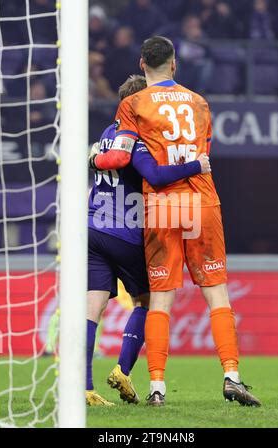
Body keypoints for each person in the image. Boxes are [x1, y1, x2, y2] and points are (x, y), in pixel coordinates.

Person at [91, 36, 261, 408]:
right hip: (201, 201)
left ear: (141, 64)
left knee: (160, 302)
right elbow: (204, 152)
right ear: (174, 64)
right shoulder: (200, 103)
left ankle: (156, 389)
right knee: (216, 294)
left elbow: (120, 157)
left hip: (162, 206)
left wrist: (92, 160)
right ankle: (231, 376)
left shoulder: (132, 103)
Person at [87, 74, 207, 406]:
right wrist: (196, 164)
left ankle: (84, 387)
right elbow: (154, 174)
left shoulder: (107, 135)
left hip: (94, 227)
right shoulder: (139, 139)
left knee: (91, 309)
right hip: (128, 230)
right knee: (149, 301)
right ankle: (123, 370)